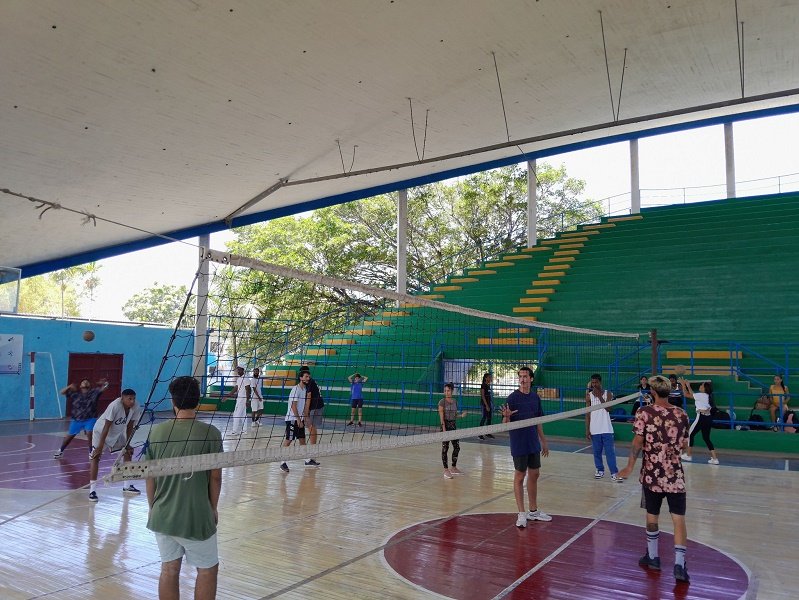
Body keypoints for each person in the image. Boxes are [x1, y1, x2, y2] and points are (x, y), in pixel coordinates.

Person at [145, 376, 223, 600]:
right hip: (196, 516)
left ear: (173, 401)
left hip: (163, 514)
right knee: (207, 570)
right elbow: (215, 477)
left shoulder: (156, 433)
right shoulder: (211, 434)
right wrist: (213, 508)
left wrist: (153, 507)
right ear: (197, 401)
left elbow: (150, 476)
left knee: (169, 569)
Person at [618, 375, 691, 584]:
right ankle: (679, 564)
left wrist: (629, 467)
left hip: (652, 476)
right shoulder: (682, 414)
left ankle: (653, 557)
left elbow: (637, 443)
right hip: (675, 476)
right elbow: (685, 446)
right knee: (678, 520)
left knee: (652, 516)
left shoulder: (644, 413)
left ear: (652, 392)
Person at [500, 366, 552, 528]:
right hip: (519, 443)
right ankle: (521, 513)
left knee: (535, 474)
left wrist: (543, 440)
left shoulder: (535, 398)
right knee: (520, 476)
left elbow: (537, 421)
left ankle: (533, 511)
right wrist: (506, 417)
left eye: (525, 376)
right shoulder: (512, 398)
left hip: (532, 442)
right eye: (520, 377)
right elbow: (504, 426)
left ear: (531, 379)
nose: (522, 379)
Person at [88, 388, 143, 502]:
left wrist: (128, 443)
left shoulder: (136, 407)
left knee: (127, 452)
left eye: (133, 398)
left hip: (116, 434)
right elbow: (106, 427)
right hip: (101, 432)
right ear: (122, 398)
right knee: (95, 457)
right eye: (129, 399)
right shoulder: (114, 406)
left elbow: (130, 426)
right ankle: (92, 491)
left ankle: (127, 486)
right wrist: (99, 447)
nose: (132, 401)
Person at [54, 377, 108, 458]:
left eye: (87, 381)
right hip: (77, 419)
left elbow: (105, 387)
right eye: (83, 382)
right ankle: (60, 450)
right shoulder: (75, 394)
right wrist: (69, 386)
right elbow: (62, 392)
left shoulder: (94, 392)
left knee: (90, 433)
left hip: (90, 418)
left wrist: (104, 383)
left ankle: (91, 452)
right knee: (70, 436)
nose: (85, 382)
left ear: (89, 386)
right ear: (80, 386)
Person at [585, 374, 622, 482]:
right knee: (597, 452)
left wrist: (600, 397)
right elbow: (587, 414)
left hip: (606, 429)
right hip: (594, 429)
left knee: (610, 452)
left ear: (600, 382)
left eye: (596, 382)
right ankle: (600, 470)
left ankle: (614, 473)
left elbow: (609, 409)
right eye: (592, 382)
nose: (594, 384)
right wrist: (587, 429)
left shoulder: (608, 394)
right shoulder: (589, 396)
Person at [679, 378, 720, 465]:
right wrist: (688, 386)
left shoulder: (701, 395)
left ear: (704, 388)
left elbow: (686, 395)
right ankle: (715, 459)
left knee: (690, 434)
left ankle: (689, 455)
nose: (700, 386)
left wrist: (683, 385)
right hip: (708, 418)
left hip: (701, 417)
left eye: (701, 385)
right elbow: (694, 395)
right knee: (706, 438)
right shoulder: (707, 396)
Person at [280, 370, 309, 473]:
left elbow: (303, 405)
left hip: (299, 419)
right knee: (289, 440)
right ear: (301, 378)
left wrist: (304, 417)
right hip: (292, 419)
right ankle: (282, 462)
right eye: (306, 376)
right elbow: (293, 406)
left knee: (302, 439)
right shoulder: (295, 389)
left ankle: (307, 460)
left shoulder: (304, 389)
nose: (308, 378)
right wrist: (297, 419)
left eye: (308, 377)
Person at [438, 382, 467, 479]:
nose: (446, 392)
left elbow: (454, 416)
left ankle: (453, 468)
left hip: (453, 426)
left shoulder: (455, 401)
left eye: (448, 391)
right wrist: (444, 430)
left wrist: (461, 416)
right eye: (445, 391)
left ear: (452, 391)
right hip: (445, 426)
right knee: (445, 448)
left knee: (457, 447)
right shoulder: (442, 402)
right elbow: (441, 418)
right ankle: (446, 470)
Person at [299, 366, 322, 467]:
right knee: (311, 428)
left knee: (311, 428)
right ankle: (311, 455)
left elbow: (308, 397)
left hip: (315, 407)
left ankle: (312, 455)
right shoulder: (310, 381)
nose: (306, 377)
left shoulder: (309, 382)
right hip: (317, 406)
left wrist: (305, 412)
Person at [225, 366, 250, 438]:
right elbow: (235, 388)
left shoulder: (246, 379)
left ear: (242, 370)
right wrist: (227, 396)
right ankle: (244, 430)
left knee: (236, 415)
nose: (238, 371)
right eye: (237, 370)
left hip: (242, 399)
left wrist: (247, 400)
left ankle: (234, 431)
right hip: (239, 399)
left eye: (239, 370)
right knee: (243, 415)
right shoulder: (239, 379)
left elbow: (248, 390)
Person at [478, 372, 495, 440]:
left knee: (489, 418)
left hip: (488, 404)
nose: (490, 378)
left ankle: (488, 433)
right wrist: (486, 405)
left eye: (491, 377)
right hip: (484, 405)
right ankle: (480, 434)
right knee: (484, 418)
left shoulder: (488, 385)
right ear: (486, 378)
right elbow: (483, 396)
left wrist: (491, 404)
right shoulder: (483, 385)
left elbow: (489, 396)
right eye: (489, 377)